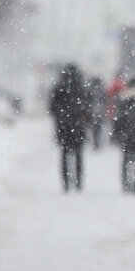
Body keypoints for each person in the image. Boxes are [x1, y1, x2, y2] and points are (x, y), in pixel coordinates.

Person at [49, 64, 89, 192]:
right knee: (78, 156)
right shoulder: (81, 89)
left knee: (65, 154)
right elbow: (87, 109)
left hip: (64, 127)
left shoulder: (59, 88)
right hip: (78, 128)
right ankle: (78, 182)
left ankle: (66, 182)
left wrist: (62, 118)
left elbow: (52, 108)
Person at [86, 76, 106, 149]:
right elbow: (105, 101)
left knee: (93, 128)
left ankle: (95, 142)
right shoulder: (102, 91)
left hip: (93, 112)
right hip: (99, 113)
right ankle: (96, 142)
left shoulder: (90, 91)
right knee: (97, 128)